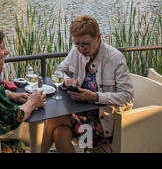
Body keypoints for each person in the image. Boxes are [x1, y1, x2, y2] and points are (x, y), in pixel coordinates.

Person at [41, 15, 134, 153]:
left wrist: (95, 97)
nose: (80, 48)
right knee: (60, 133)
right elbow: (59, 71)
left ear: (98, 37)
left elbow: (127, 97)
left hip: (102, 122)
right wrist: (67, 80)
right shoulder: (76, 51)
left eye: (85, 44)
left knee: (55, 119)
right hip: (79, 114)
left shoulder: (115, 59)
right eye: (76, 43)